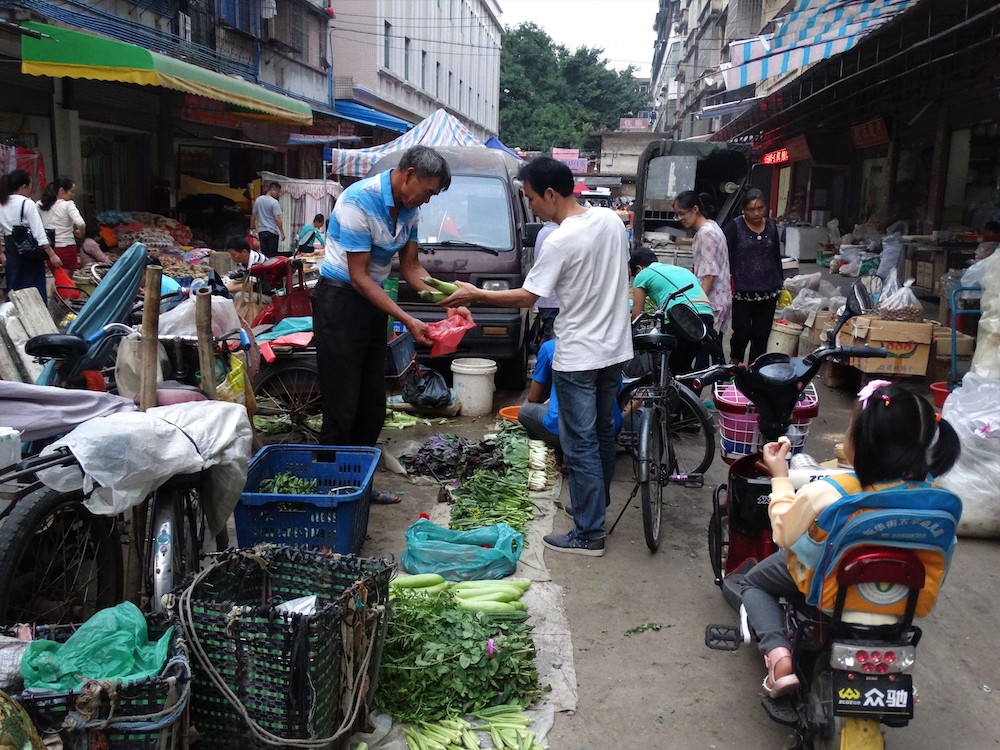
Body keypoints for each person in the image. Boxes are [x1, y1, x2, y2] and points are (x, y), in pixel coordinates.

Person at [443, 156, 633, 557]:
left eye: (530, 198)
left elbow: (528, 297)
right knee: (600, 434)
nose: (531, 206)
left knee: (578, 441)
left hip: (579, 354)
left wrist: (475, 294)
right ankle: (595, 513)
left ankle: (588, 533)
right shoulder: (611, 221)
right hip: (614, 350)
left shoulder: (561, 239)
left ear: (550, 193)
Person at [740, 380, 960, 698]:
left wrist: (779, 478)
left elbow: (784, 534)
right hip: (901, 603)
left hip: (830, 597)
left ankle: (779, 659)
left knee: (754, 583)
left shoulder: (830, 492)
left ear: (857, 442)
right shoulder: (940, 501)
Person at [312, 145, 471, 504]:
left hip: (371, 305)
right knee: (342, 407)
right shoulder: (358, 200)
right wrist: (407, 319)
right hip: (339, 302)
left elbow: (412, 270)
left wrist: (449, 302)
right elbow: (359, 278)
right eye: (428, 192)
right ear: (410, 174)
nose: (427, 201)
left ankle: (359, 487)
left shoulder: (410, 209)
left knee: (372, 405)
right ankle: (330, 493)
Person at [628, 247, 722, 374]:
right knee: (687, 367)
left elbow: (637, 315)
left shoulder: (643, 274)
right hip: (706, 314)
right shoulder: (681, 270)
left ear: (639, 268)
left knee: (674, 368)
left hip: (680, 318)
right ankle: (690, 392)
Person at [519, 338, 623, 448]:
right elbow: (617, 390)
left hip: (572, 431)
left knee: (525, 411)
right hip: (609, 429)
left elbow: (533, 397)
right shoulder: (605, 347)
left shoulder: (554, 347)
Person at [723, 189, 784, 364]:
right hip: (742, 291)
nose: (756, 212)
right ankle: (735, 365)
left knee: (761, 334)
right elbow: (724, 255)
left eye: (760, 207)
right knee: (741, 333)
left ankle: (756, 371)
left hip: (768, 291)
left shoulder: (771, 226)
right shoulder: (734, 227)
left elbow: (776, 255)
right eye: (751, 209)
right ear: (743, 209)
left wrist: (781, 284)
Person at [674, 190, 731, 341]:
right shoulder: (712, 226)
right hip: (718, 299)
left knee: (705, 354)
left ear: (695, 209)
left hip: (712, 302)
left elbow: (709, 276)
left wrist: (697, 305)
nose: (680, 218)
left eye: (682, 213)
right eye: (677, 214)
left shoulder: (707, 233)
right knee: (713, 350)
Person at [0, 169, 60, 302]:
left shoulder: (2, 204)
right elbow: (39, 233)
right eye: (30, 185)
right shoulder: (27, 203)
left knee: (14, 287)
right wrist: (51, 254)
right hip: (29, 252)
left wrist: (1, 254)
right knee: (34, 289)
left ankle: (13, 317)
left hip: (11, 252)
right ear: (23, 186)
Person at [37, 177, 85, 271]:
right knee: (66, 282)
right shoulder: (68, 205)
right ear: (61, 190)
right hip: (67, 247)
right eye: (71, 191)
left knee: (56, 280)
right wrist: (81, 231)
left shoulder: (40, 204)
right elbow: (81, 223)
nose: (73, 195)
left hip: (49, 250)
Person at [532, 220, 560, 345]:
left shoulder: (544, 231)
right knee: (553, 341)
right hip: (554, 299)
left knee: (549, 335)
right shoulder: (554, 233)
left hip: (548, 299)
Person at [250, 181, 284, 257]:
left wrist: (252, 227)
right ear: (273, 190)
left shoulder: (258, 200)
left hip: (262, 232)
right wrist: (282, 232)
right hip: (272, 232)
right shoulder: (274, 202)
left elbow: (253, 215)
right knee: (272, 256)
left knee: (264, 255)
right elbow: (277, 218)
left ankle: (265, 268)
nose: (277, 194)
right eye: (277, 192)